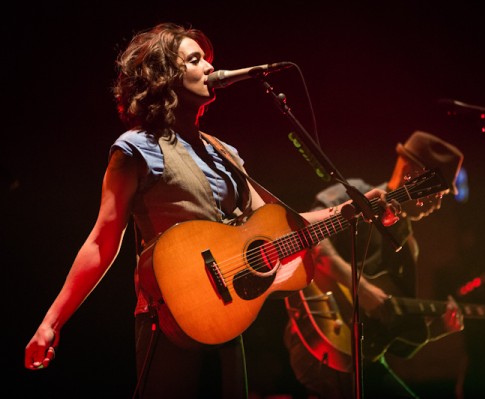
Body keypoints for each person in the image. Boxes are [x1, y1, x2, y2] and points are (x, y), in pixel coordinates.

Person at [23, 22, 400, 399]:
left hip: (227, 317)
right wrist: (52, 322)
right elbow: (102, 241)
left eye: (208, 60)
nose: (209, 68)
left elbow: (277, 226)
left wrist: (351, 210)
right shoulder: (135, 148)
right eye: (195, 59)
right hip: (169, 318)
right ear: (165, 76)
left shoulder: (226, 153)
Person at [284, 131, 465, 399]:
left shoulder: (407, 246)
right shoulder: (353, 194)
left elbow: (394, 336)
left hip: (363, 360)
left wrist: (439, 328)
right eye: (438, 191)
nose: (438, 204)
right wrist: (362, 289)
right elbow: (310, 238)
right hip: (320, 343)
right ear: (412, 173)